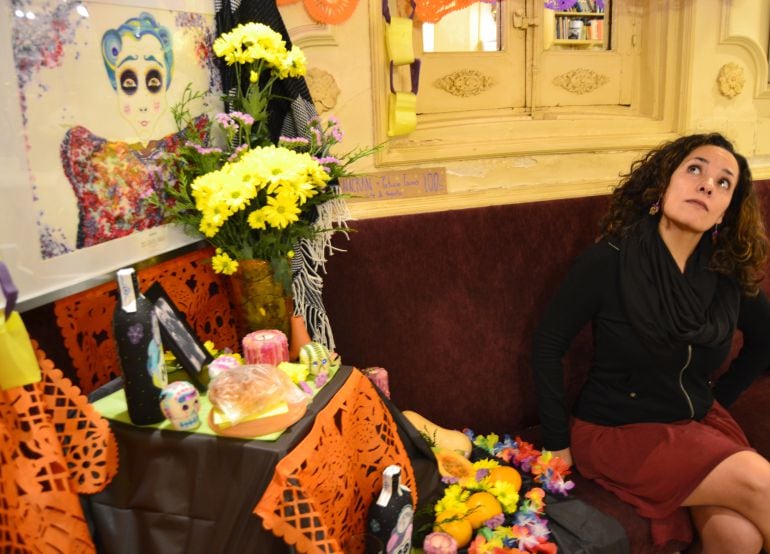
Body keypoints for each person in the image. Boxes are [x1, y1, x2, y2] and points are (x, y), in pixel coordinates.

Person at [532, 133, 770, 552]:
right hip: (618, 431)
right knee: (761, 482)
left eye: (723, 182)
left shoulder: (725, 272)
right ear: (663, 184)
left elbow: (765, 341)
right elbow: (548, 344)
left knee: (738, 537)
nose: (706, 185)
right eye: (695, 169)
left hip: (695, 421)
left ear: (726, 211)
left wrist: (719, 398)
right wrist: (556, 445)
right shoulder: (610, 260)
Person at [59, 12, 206, 248]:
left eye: (154, 81)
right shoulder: (90, 156)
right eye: (129, 83)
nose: (143, 100)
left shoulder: (190, 144)